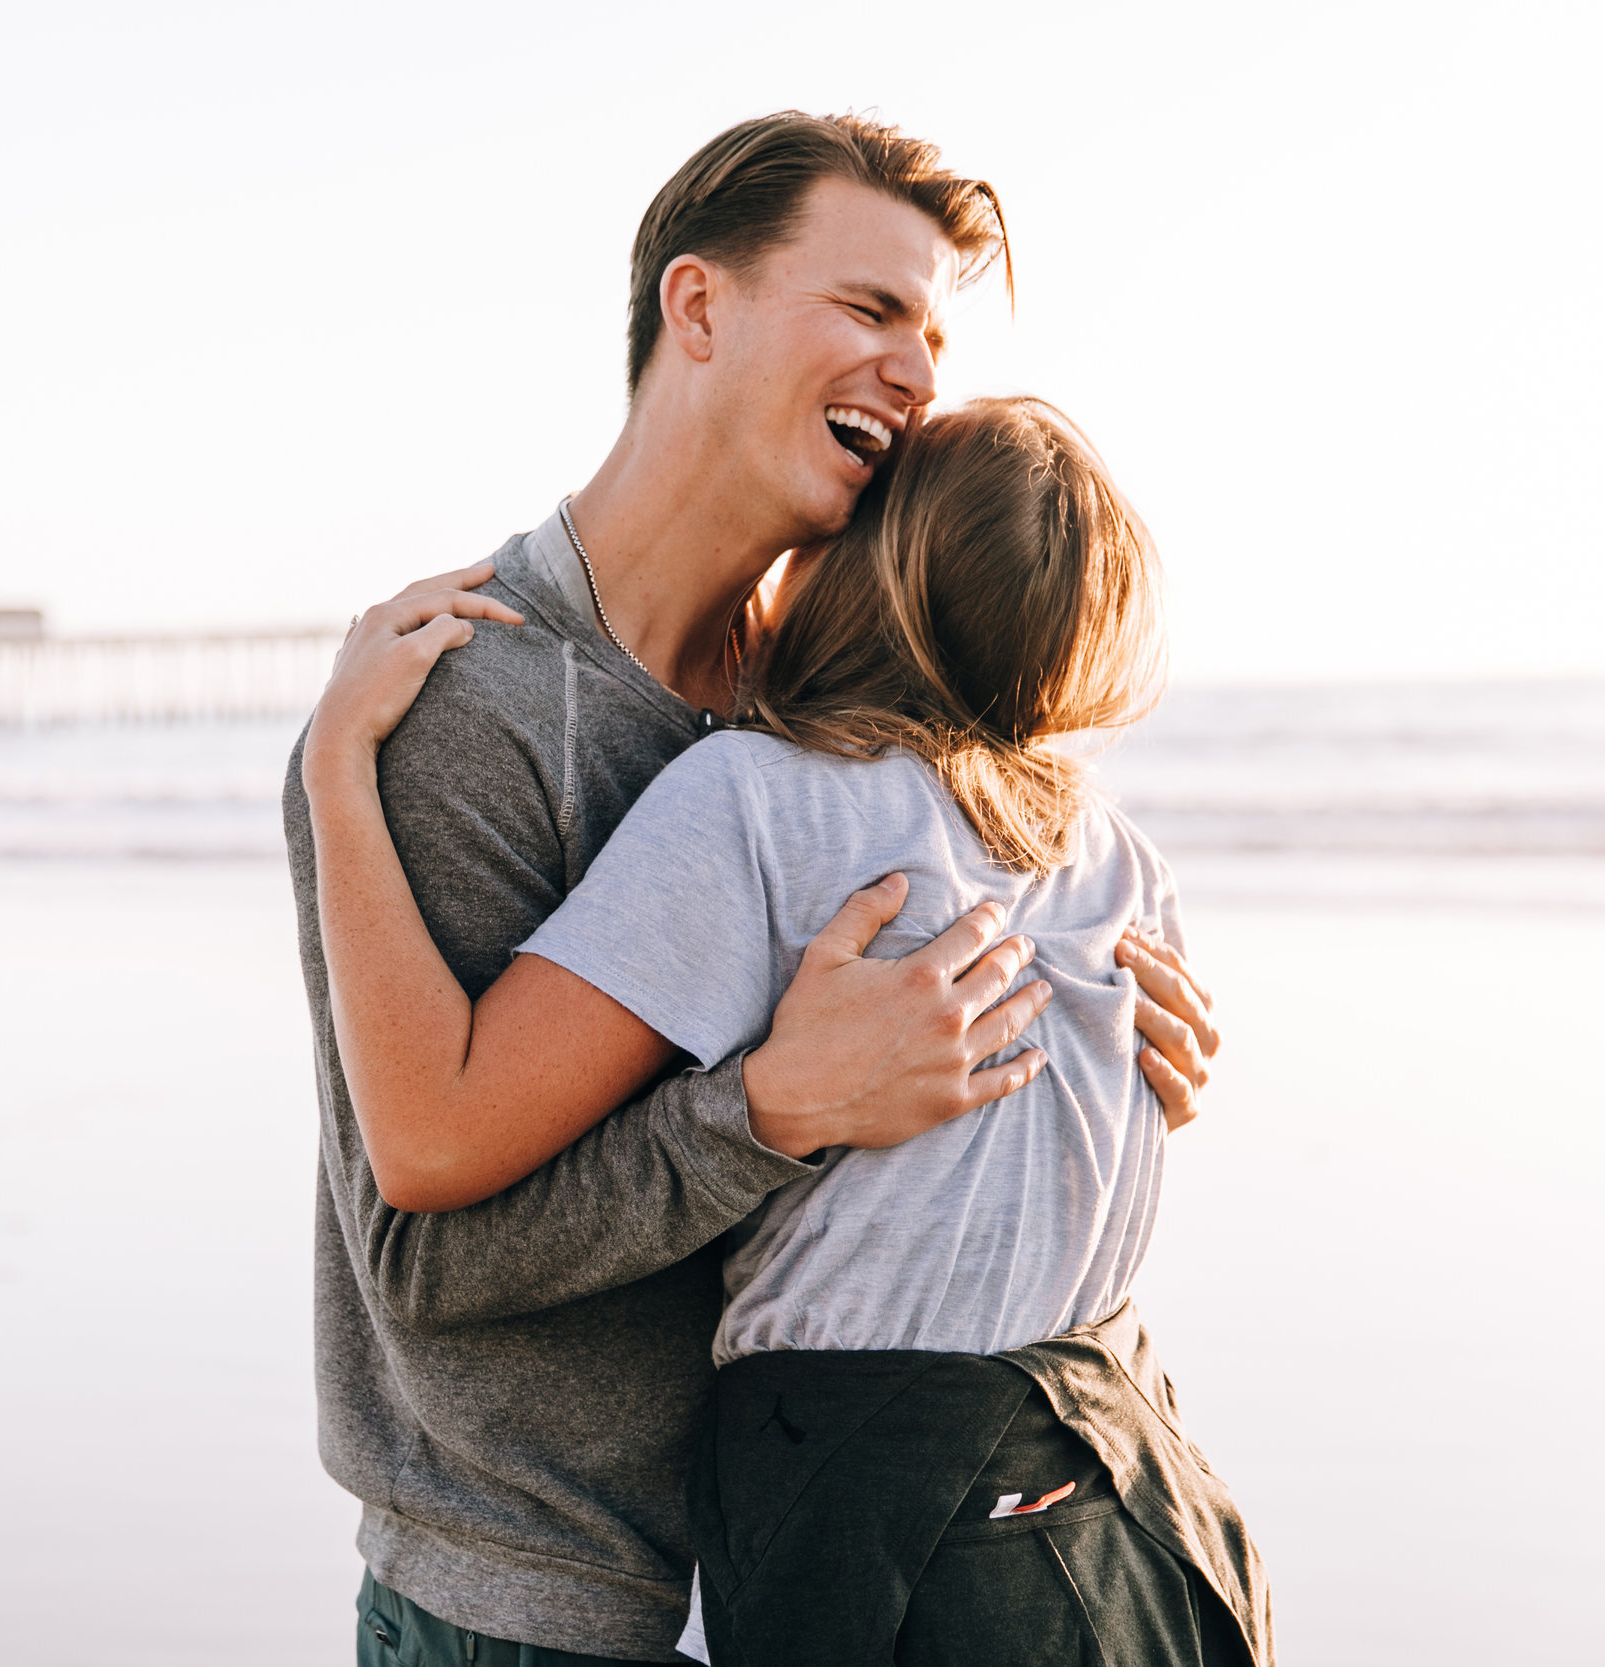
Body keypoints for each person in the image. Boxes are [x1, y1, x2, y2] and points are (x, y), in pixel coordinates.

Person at [282, 112, 1222, 1665]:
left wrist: (1100, 1057)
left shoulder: (830, 730)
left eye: (933, 334)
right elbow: (422, 1258)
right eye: (869, 310)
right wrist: (777, 1110)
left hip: (841, 1579)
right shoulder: (470, 710)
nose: (920, 372)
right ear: (698, 307)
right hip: (554, 1616)